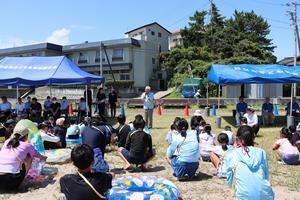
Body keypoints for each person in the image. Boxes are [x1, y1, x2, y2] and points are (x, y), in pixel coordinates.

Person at [223, 125, 274, 200]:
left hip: (243, 196)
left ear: (237, 139)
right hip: (265, 195)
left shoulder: (232, 153)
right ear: (253, 138)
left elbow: (229, 179)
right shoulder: (262, 152)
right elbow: (266, 176)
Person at [0, 125, 47, 191]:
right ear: (26, 135)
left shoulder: (7, 142)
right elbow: (39, 157)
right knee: (29, 157)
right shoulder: (27, 145)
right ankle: (22, 180)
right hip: (10, 181)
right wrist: (44, 157)